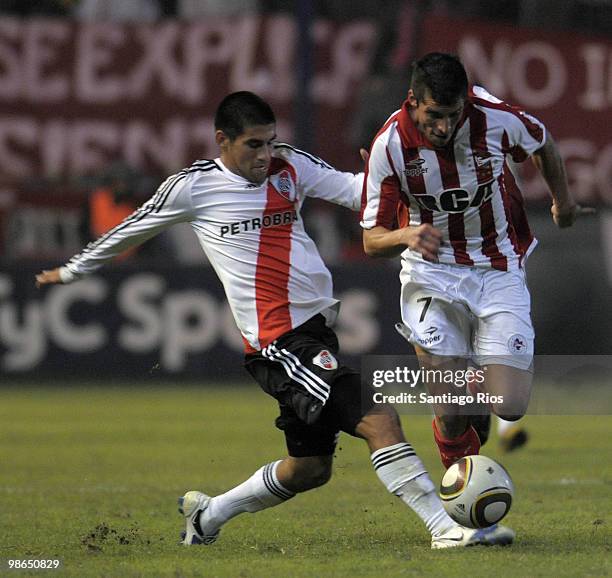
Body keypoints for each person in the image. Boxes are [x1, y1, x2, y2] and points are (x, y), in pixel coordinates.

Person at [36, 91, 513, 549]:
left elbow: (354, 191)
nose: (265, 154)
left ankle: (209, 514)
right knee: (378, 416)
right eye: (253, 145)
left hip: (313, 332)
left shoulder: (289, 164)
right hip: (278, 343)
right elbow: (131, 227)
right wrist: (73, 269)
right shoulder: (193, 187)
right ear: (222, 140)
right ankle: (444, 528)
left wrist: (383, 175)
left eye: (269, 141)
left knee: (310, 468)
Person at [361, 53, 593, 468]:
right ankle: (461, 501)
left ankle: (472, 383)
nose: (445, 126)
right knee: (449, 415)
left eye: (453, 114)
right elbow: (371, 241)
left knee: (510, 405)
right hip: (430, 273)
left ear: (465, 101)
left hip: (497, 266)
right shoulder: (390, 146)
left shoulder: (494, 119)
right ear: (413, 101)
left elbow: (542, 141)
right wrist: (406, 234)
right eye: (434, 115)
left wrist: (563, 202)